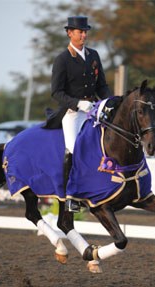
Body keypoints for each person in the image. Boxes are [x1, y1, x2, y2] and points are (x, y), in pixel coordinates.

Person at [50, 16, 111, 212]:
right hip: (72, 114)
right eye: (80, 31)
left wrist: (109, 102)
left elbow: (101, 85)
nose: (84, 34)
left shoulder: (93, 55)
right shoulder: (63, 59)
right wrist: (78, 103)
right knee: (73, 148)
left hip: (93, 110)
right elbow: (56, 92)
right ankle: (70, 196)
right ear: (70, 33)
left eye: (85, 31)